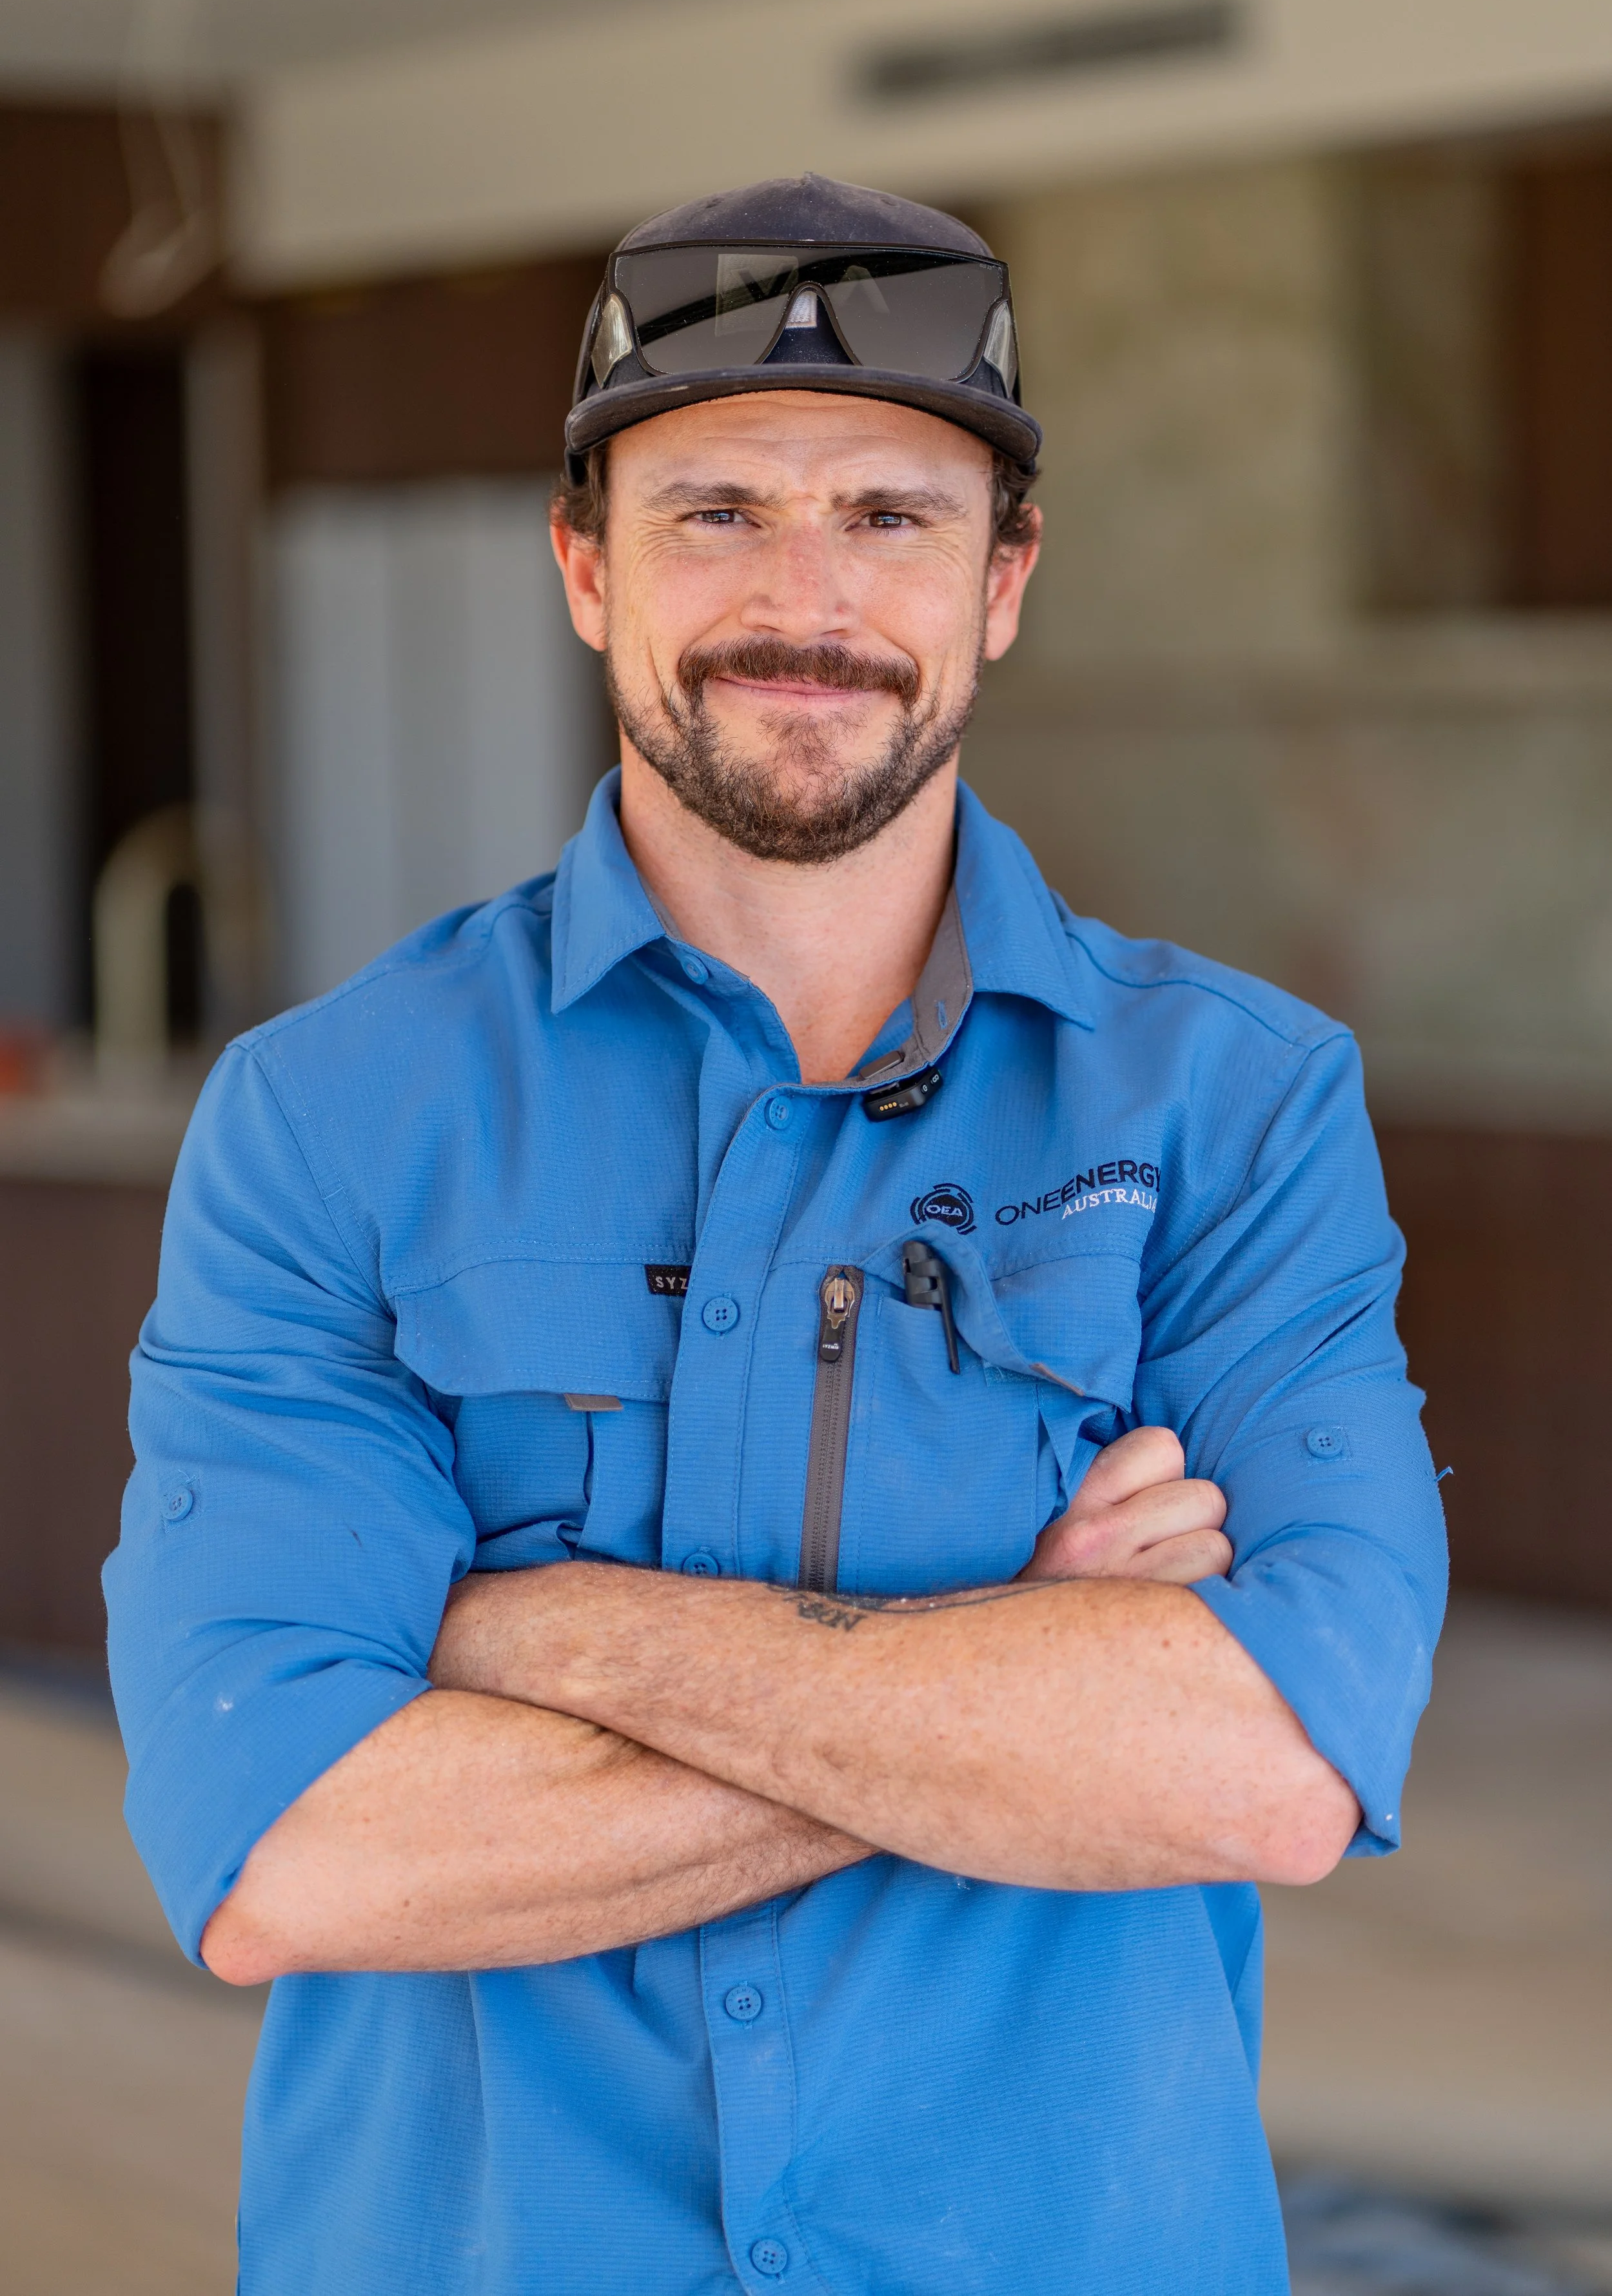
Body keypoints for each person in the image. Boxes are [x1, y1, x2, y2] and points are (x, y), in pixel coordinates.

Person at [106, 175, 1446, 2296]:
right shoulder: (325, 1120)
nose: (797, 594)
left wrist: (527, 1627)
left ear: (1004, 581)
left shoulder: (1233, 1109)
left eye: (890, 515)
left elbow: (1264, 1765)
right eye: (712, 507)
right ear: (583, 566)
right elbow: (291, 1846)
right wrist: (1015, 1659)